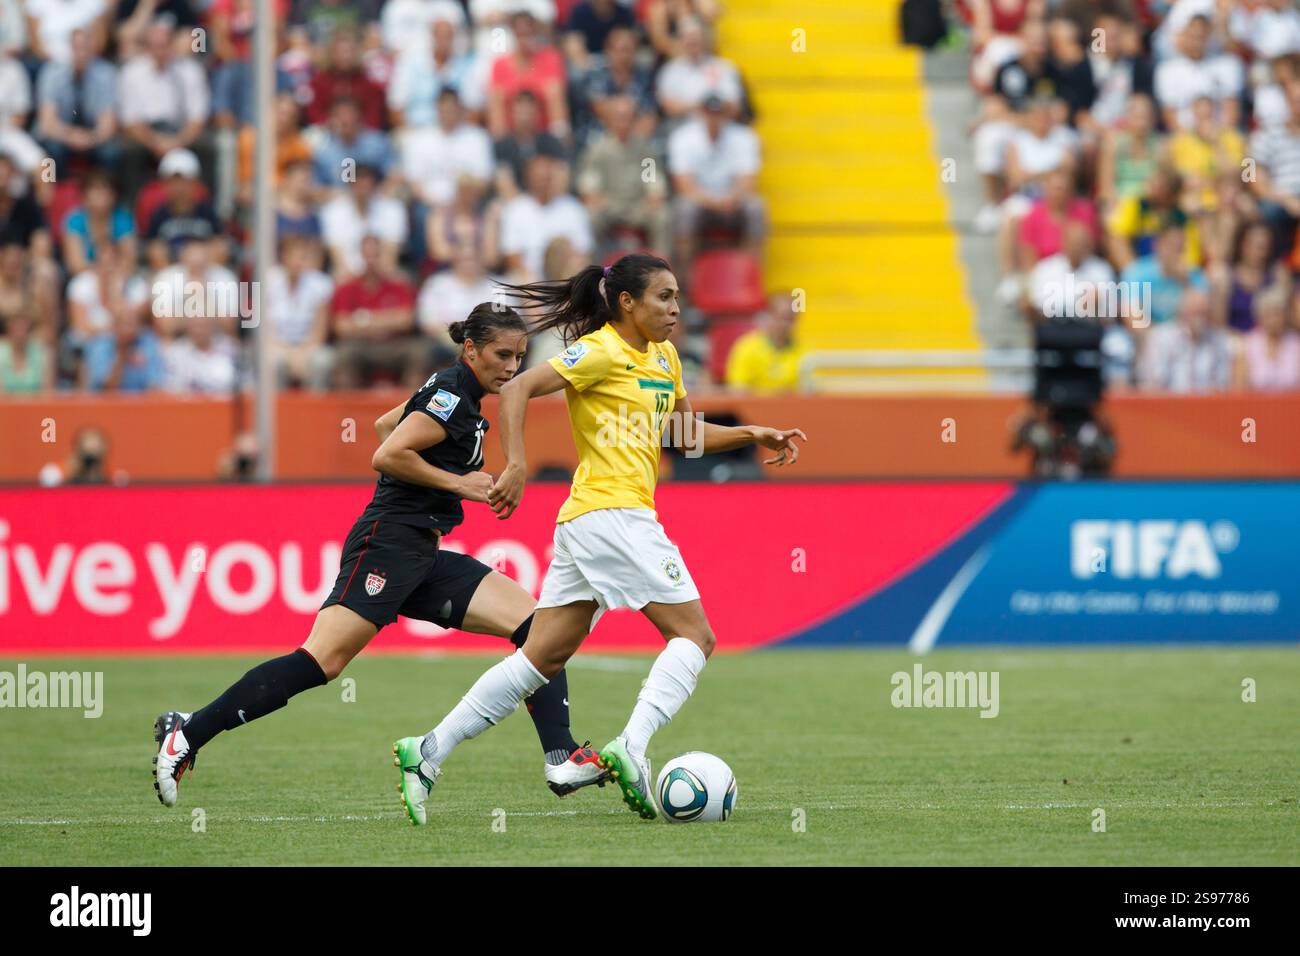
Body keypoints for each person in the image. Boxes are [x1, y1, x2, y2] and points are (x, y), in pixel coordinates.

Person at [391, 253, 806, 824]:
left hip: (591, 522)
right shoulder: (599, 350)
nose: (676, 308)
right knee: (695, 636)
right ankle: (632, 746)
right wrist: (515, 466)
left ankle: (428, 750)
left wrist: (749, 432)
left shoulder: (665, 357)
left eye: (678, 297)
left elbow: (682, 435)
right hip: (615, 516)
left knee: (540, 658)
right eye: (664, 297)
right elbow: (517, 392)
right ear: (628, 302)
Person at [152, 304, 607, 811]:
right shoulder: (455, 396)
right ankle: (189, 733)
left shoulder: (456, 391)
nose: (512, 367)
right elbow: (385, 453)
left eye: (520, 357)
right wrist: (461, 485)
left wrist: (440, 486)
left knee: (536, 626)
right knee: (320, 662)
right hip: (388, 544)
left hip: (424, 551)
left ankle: (560, 757)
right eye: (502, 355)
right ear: (471, 349)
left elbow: (385, 424)